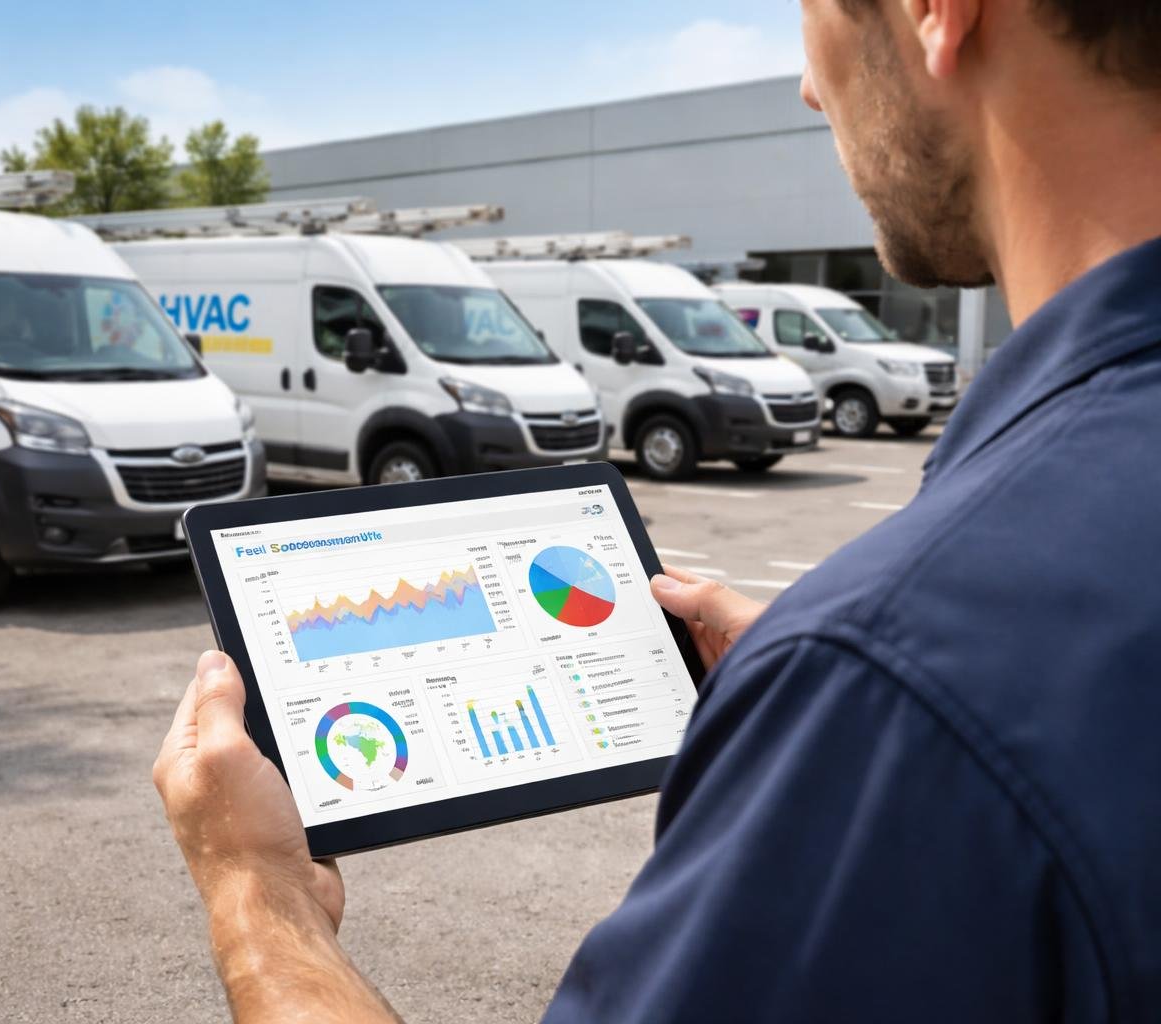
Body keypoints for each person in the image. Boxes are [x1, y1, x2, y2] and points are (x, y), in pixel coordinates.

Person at [153, 0, 1161, 1019]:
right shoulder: (942, 654)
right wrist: (835, 688)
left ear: (935, 11)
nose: (810, 87)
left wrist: (256, 893)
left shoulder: (893, 685)